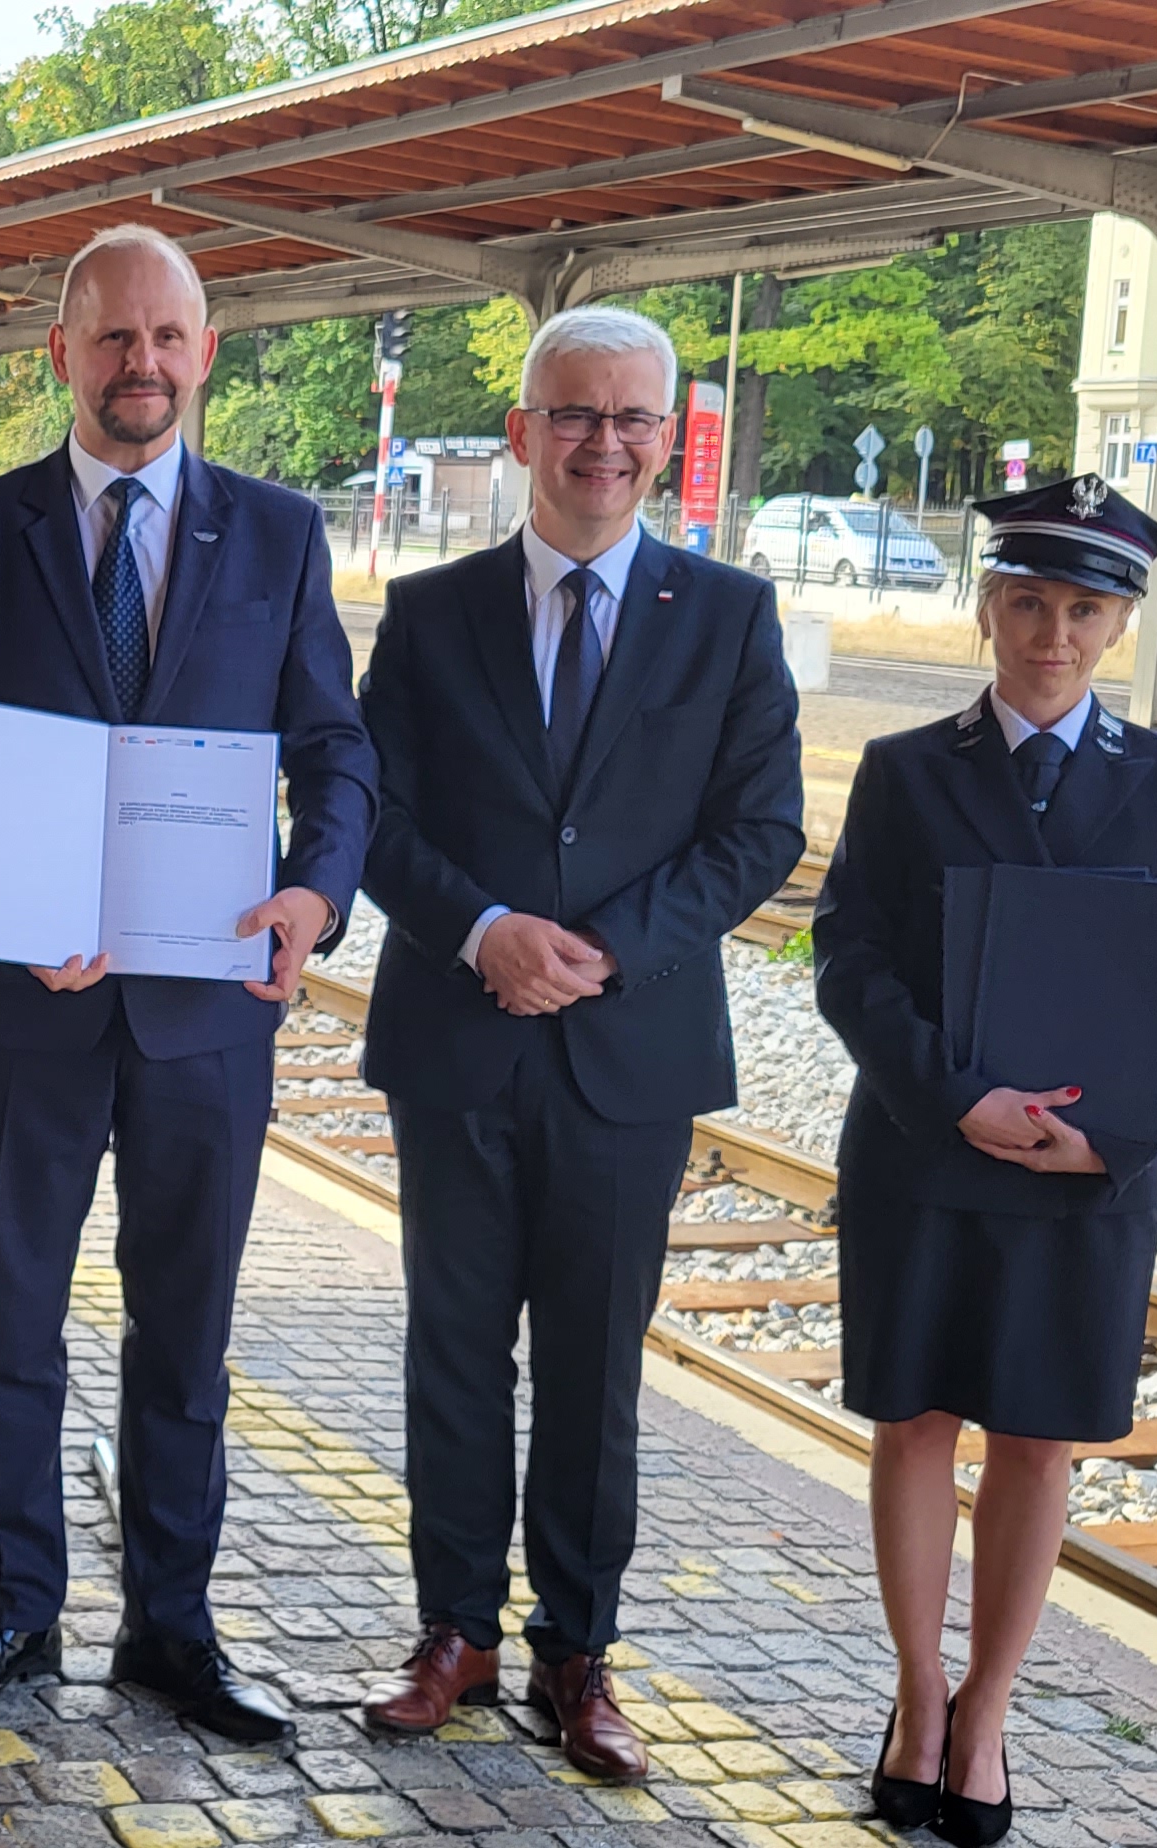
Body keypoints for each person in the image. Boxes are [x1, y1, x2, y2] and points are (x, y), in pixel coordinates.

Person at [0, 224, 373, 1741]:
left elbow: (335, 750)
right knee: (15, 1317)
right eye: (112, 336)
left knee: (185, 1328)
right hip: (31, 997)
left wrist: (315, 891)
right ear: (61, 355)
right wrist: (2, 893)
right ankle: (13, 1613)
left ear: (205, 353)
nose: (140, 362)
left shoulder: (280, 535)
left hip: (204, 1010)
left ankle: (172, 1626)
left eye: (167, 337)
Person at [353, 304, 804, 1781]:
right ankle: (454, 1634)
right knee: (454, 1352)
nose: (603, 443)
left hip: (628, 1050)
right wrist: (483, 929)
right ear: (522, 433)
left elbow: (761, 830)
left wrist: (603, 949)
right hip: (461, 1034)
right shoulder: (431, 613)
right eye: (575, 414)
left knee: (595, 1368)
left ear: (665, 439)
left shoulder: (728, 616)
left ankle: (578, 1652)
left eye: (630, 419)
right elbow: (374, 816)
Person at [811, 476, 1157, 1846]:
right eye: (1030, 603)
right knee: (916, 1422)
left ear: (1118, 626)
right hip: (926, 1153)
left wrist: (1110, 1138)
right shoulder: (905, 769)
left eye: (1084, 611)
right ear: (988, 608)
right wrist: (956, 1099)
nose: (1055, 634)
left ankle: (988, 1711)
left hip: (1081, 1175)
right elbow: (850, 960)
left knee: (1039, 1442)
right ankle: (917, 1696)